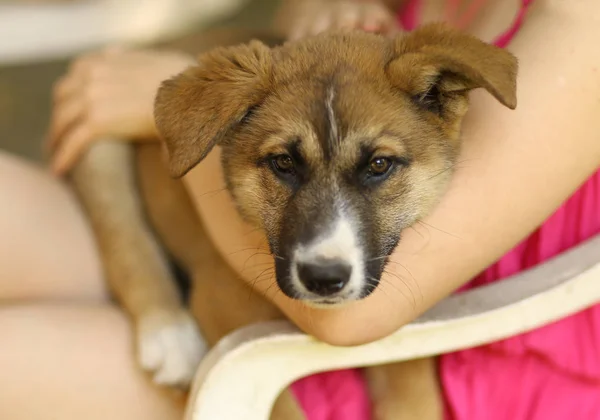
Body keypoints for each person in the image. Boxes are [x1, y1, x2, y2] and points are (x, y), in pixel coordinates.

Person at [1, 0, 599, 419]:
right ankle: (145, 289)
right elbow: (303, 48)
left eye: (380, 167)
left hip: (412, 366)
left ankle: (148, 298)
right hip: (200, 249)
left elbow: (352, 319)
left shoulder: (584, 29)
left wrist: (165, 95)